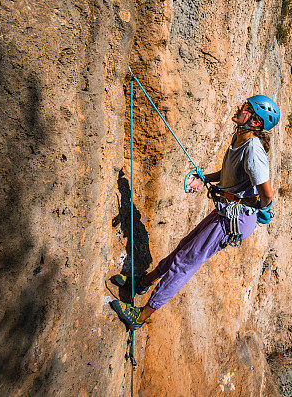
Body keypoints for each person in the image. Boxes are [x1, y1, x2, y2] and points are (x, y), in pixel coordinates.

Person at [109, 95, 280, 331]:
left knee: (185, 262)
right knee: (184, 246)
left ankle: (140, 316)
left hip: (235, 217)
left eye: (246, 108)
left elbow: (267, 193)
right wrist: (205, 179)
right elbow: (229, 173)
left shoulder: (253, 151)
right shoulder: (239, 138)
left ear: (255, 122)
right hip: (228, 210)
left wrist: (261, 207)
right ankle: (142, 283)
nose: (240, 108)